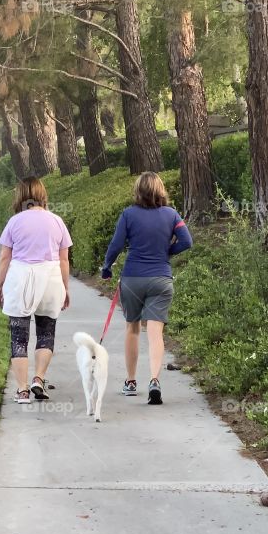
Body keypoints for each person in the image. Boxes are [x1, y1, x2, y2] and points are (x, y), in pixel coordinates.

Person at [100, 171, 192, 405]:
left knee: (132, 328)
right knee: (155, 333)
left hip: (132, 279)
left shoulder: (128, 214)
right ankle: (154, 380)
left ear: (138, 191)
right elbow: (187, 241)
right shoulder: (172, 215)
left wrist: (107, 266)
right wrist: (166, 253)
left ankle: (131, 382)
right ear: (161, 190)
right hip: (161, 278)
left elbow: (116, 244)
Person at [0, 177, 72, 404]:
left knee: (19, 338)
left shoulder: (15, 222)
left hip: (21, 280)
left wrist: (0, 286)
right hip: (50, 280)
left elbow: (5, 257)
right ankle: (39, 379)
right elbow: (64, 260)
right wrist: (65, 289)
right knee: (46, 333)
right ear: (42, 195)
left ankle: (22, 390)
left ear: (20, 196)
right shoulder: (57, 221)